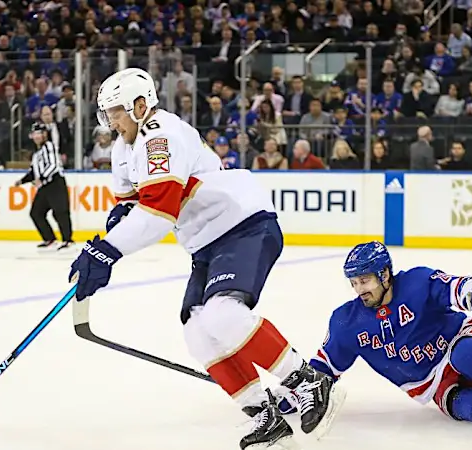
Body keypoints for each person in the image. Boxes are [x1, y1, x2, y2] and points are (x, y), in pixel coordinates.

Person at [67, 68, 346, 450]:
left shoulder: (159, 133)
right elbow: (131, 209)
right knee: (197, 332)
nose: (111, 120)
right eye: (107, 112)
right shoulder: (122, 149)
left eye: (116, 110)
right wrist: (106, 239)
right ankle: (265, 414)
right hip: (205, 244)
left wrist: (107, 251)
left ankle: (308, 380)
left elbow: (158, 212)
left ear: (140, 105)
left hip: (243, 225)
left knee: (222, 314)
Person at [276, 241, 472, 426]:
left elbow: (457, 286)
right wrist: (292, 397)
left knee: (466, 354)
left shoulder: (416, 283)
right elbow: (323, 369)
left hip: (465, 343)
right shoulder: (347, 322)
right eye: (355, 283)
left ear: (385, 274)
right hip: (434, 385)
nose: (360, 290)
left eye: (366, 281)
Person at [14, 122, 74, 251]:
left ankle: (68, 240)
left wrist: (41, 178)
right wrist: (22, 181)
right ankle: (50, 239)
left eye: (39, 133)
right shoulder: (37, 154)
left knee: (60, 212)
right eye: (34, 134)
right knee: (36, 213)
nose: (36, 136)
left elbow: (53, 165)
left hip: (55, 183)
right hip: (45, 186)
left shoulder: (49, 146)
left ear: (45, 135)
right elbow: (33, 172)